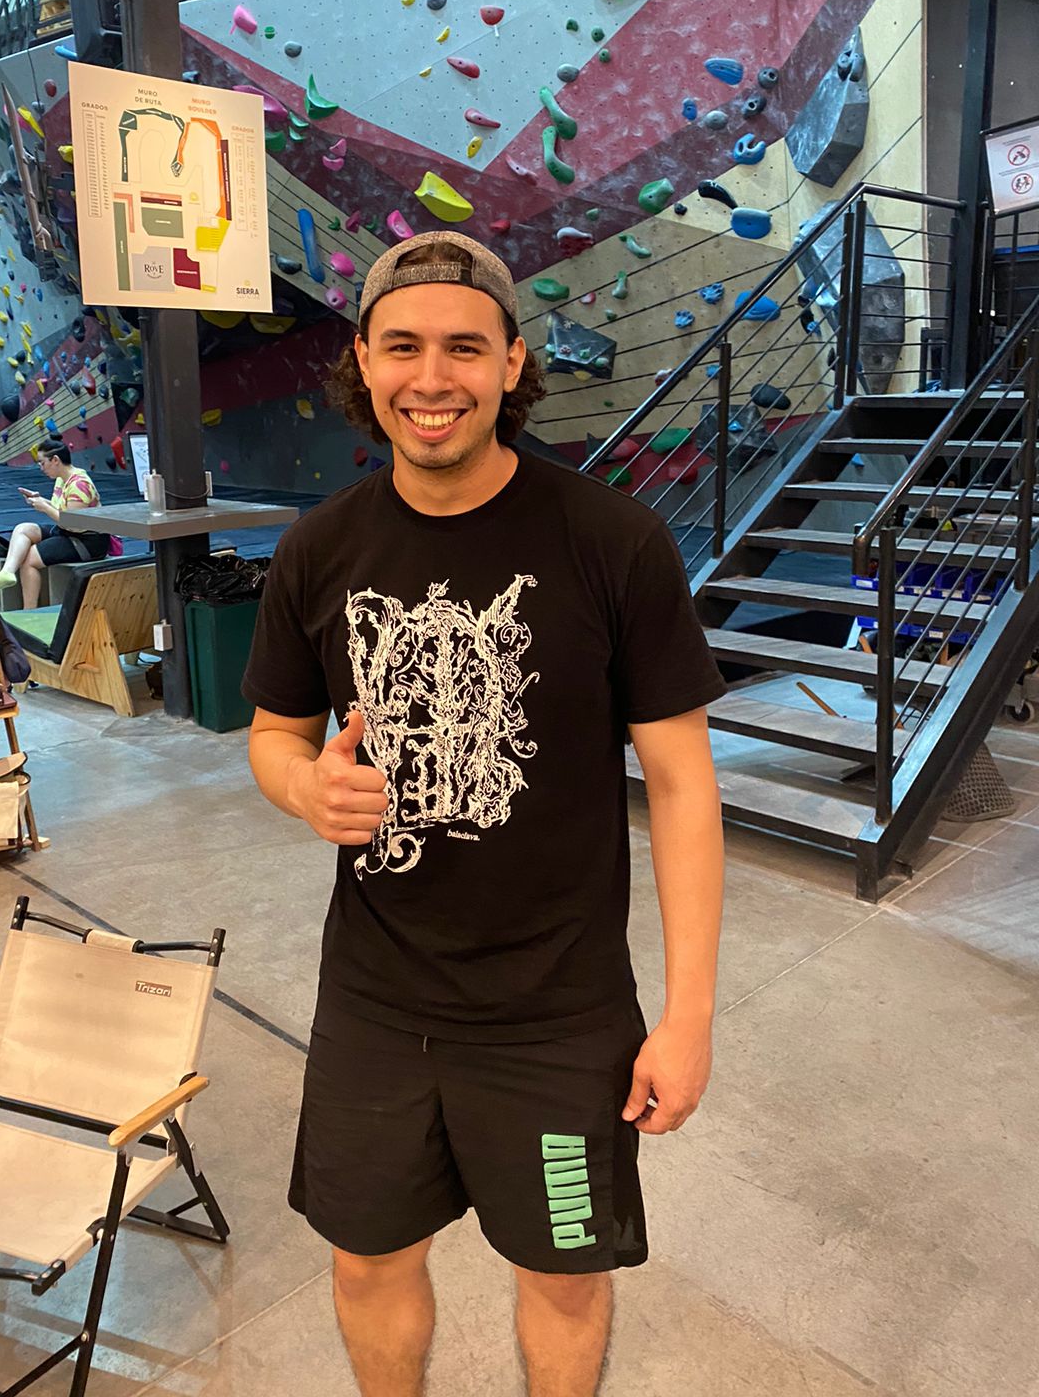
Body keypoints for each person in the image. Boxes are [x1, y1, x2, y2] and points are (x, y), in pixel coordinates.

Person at [242, 233, 727, 1397]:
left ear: (515, 363)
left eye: (466, 346)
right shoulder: (319, 548)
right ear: (363, 360)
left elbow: (682, 782)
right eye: (402, 346)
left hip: (559, 1017)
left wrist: (691, 1014)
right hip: (375, 1002)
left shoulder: (613, 542)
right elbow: (273, 735)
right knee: (367, 1263)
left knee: (562, 1274)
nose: (432, 377)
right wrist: (308, 786)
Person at [0, 438, 108, 608]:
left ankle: (29, 611)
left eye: (42, 463)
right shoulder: (61, 479)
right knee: (23, 528)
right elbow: (62, 509)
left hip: (88, 541)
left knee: (29, 559)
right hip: (67, 531)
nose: (41, 468)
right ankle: (7, 572)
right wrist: (40, 500)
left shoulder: (80, 484)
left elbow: (74, 524)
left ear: (55, 460)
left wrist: (45, 508)